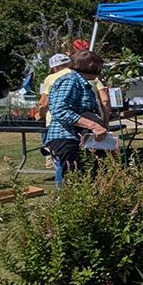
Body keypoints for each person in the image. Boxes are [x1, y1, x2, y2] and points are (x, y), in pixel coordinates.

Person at [45, 51, 109, 186]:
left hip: (78, 138)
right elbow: (60, 110)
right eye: (99, 67)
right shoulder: (70, 80)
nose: (100, 71)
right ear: (91, 66)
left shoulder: (82, 82)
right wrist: (93, 126)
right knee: (74, 181)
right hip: (66, 138)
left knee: (90, 179)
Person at [37, 53, 72, 178]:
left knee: (58, 157)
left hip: (55, 121)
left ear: (54, 68)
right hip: (78, 119)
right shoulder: (77, 75)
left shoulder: (51, 78)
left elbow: (43, 103)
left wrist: (39, 115)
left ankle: (61, 188)